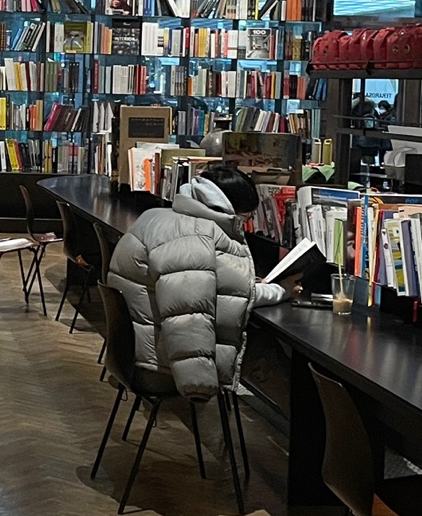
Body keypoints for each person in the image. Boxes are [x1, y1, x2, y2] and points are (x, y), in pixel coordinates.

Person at [107, 165, 301, 404]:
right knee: (268, 352)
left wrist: (245, 281)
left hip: (132, 354)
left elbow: (205, 287)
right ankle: (305, 426)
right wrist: (283, 290)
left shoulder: (160, 217)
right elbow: (190, 312)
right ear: (231, 208)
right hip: (158, 368)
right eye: (246, 216)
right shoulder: (195, 237)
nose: (246, 224)